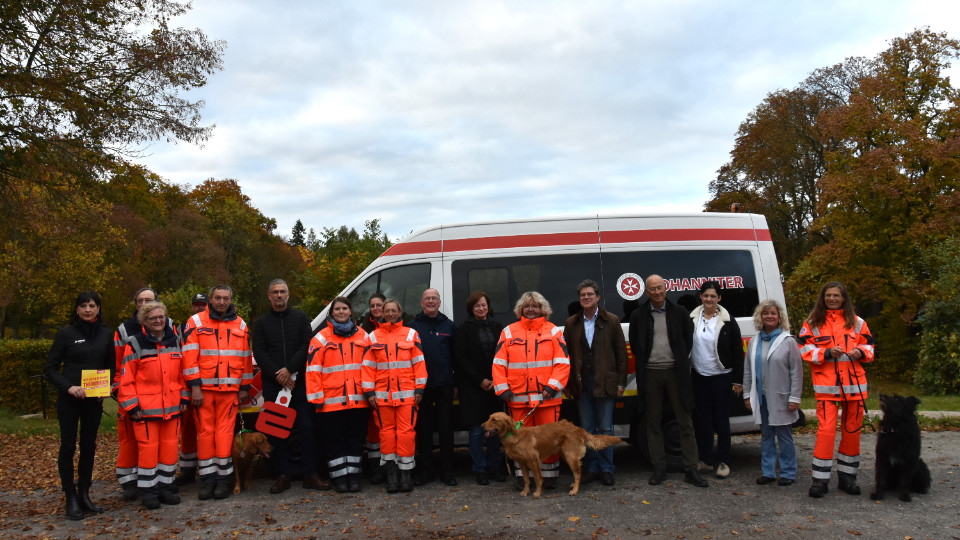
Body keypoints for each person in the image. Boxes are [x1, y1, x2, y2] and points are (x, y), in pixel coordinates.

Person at [627, 275, 708, 487]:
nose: (656, 292)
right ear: (647, 292)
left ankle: (691, 469)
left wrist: (677, 360)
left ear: (666, 289)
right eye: (652, 289)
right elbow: (636, 345)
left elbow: (687, 341)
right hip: (650, 374)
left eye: (659, 288)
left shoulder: (679, 313)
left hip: (676, 373)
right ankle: (659, 468)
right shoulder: (638, 315)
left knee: (685, 421)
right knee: (652, 422)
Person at [798, 281, 874, 498]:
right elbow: (804, 349)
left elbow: (870, 346)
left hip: (854, 388)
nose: (832, 299)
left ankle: (848, 478)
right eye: (828, 295)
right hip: (827, 389)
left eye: (836, 296)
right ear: (823, 298)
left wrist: (861, 352)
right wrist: (827, 352)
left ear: (843, 299)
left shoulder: (858, 323)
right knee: (826, 432)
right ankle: (820, 481)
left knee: (852, 433)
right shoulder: (812, 324)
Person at [251, 279, 327, 493]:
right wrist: (279, 374)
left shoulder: (301, 318)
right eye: (275, 292)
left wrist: (290, 369)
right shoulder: (262, 322)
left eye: (282, 292)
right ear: (269, 296)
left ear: (288, 294)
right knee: (276, 431)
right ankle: (282, 475)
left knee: (307, 428)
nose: (279, 296)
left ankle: (310, 474)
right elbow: (259, 351)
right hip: (274, 384)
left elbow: (307, 346)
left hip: (300, 383)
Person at [44, 291, 113, 520]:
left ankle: (84, 493)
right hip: (70, 399)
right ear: (77, 309)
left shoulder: (106, 334)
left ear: (98, 308)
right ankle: (70, 497)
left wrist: (107, 387)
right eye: (83, 305)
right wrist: (68, 387)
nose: (87, 309)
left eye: (92, 305)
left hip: (94, 400)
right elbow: (50, 369)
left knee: (89, 446)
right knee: (68, 447)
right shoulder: (65, 334)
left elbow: (111, 366)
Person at [181, 284, 254, 500]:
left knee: (224, 435)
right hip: (203, 390)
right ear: (210, 300)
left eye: (226, 298)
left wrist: (244, 387)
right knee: (205, 434)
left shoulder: (241, 324)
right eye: (218, 298)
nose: (222, 302)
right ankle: (207, 480)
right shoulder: (195, 322)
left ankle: (223, 480)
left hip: (230, 391)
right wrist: (194, 387)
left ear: (231, 300)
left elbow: (246, 358)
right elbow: (189, 357)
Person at [492, 291, 570, 490]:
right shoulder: (508, 332)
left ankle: (549, 476)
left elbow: (562, 363)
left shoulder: (553, 331)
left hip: (547, 399)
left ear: (543, 309)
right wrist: (503, 390)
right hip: (517, 400)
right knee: (518, 441)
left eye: (535, 305)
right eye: (527, 306)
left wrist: (553, 387)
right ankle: (523, 477)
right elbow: (499, 364)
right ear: (520, 310)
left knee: (549, 440)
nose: (531, 309)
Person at [117, 301, 189, 509]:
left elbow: (183, 374)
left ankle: (165, 488)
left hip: (173, 409)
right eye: (152, 318)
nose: (158, 321)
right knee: (148, 452)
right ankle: (148, 492)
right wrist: (133, 407)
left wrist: (184, 398)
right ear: (144, 322)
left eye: (161, 317)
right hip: (146, 412)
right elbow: (126, 379)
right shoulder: (136, 344)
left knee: (168, 452)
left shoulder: (175, 341)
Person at [564, 280, 627, 487]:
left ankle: (607, 469)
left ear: (598, 297)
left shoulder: (612, 320)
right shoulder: (571, 323)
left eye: (590, 294)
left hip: (605, 381)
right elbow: (567, 356)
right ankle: (591, 468)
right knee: (587, 428)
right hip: (581, 384)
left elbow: (621, 354)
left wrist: (621, 382)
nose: (586, 297)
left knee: (605, 428)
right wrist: (568, 383)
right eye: (583, 295)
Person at [361, 299, 427, 493]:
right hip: (382, 397)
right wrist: (369, 392)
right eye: (386, 310)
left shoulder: (411, 334)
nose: (390, 313)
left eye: (393, 310)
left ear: (400, 312)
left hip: (408, 396)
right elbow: (367, 367)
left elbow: (419, 364)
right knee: (387, 435)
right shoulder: (373, 337)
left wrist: (419, 389)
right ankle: (392, 477)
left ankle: (406, 477)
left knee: (406, 434)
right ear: (381, 312)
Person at [306, 297, 370, 492]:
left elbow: (371, 366)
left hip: (359, 400)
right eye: (337, 309)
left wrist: (370, 392)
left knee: (355, 441)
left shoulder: (363, 336)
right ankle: (339, 478)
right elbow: (313, 370)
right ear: (332, 313)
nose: (341, 312)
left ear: (351, 311)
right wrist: (316, 398)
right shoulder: (321, 338)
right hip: (330, 403)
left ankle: (354, 477)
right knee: (335, 443)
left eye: (344, 308)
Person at [743, 299, 802, 486]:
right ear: (761, 317)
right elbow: (747, 370)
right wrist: (747, 394)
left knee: (785, 436)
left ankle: (788, 472)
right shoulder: (755, 341)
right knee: (766, 436)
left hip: (782, 398)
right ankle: (768, 472)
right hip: (761, 398)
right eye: (766, 313)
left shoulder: (788, 341)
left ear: (779, 317)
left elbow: (796, 372)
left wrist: (795, 397)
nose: (769, 316)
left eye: (773, 314)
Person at [688, 280, 743, 479]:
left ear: (719, 298)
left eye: (713, 296)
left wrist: (738, 381)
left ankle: (723, 461)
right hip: (699, 376)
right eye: (705, 295)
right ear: (700, 297)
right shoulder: (692, 318)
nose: (709, 299)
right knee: (702, 421)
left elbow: (738, 352)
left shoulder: (729, 321)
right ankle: (705, 460)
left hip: (722, 377)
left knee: (721, 422)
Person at [113, 287, 161, 500]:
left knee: (154, 443)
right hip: (129, 392)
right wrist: (119, 391)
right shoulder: (124, 329)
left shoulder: (166, 326)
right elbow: (116, 363)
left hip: (157, 397)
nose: (144, 304)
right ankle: (128, 482)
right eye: (140, 300)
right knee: (129, 441)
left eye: (148, 300)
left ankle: (152, 482)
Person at [454, 291, 506, 486]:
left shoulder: (498, 327)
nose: (481, 308)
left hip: (495, 386)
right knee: (476, 432)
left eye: (484, 305)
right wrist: (480, 380)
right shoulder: (463, 330)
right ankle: (480, 469)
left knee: (495, 431)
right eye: (477, 306)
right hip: (473, 387)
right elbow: (461, 359)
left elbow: (503, 354)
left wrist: (495, 379)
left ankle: (494, 467)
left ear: (488, 306)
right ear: (471, 308)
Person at [408, 288, 458, 486]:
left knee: (446, 430)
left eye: (434, 298)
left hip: (445, 384)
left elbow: (455, 357)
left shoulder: (449, 325)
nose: (430, 301)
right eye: (427, 298)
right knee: (424, 430)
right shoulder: (412, 327)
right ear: (421, 303)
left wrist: (455, 382)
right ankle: (425, 472)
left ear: (439, 302)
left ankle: (447, 473)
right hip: (422, 387)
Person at [174, 292, 208, 486]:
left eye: (203, 304)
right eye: (196, 305)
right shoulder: (179, 329)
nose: (200, 308)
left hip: (210, 387)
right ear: (191, 307)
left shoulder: (213, 326)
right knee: (186, 430)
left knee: (206, 430)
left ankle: (207, 470)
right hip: (185, 386)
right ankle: (187, 470)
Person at [360, 292, 386, 484]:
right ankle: (375, 468)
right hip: (371, 386)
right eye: (373, 305)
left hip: (389, 387)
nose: (376, 309)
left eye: (379, 305)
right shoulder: (364, 330)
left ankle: (388, 466)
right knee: (373, 430)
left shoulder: (396, 328)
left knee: (387, 429)